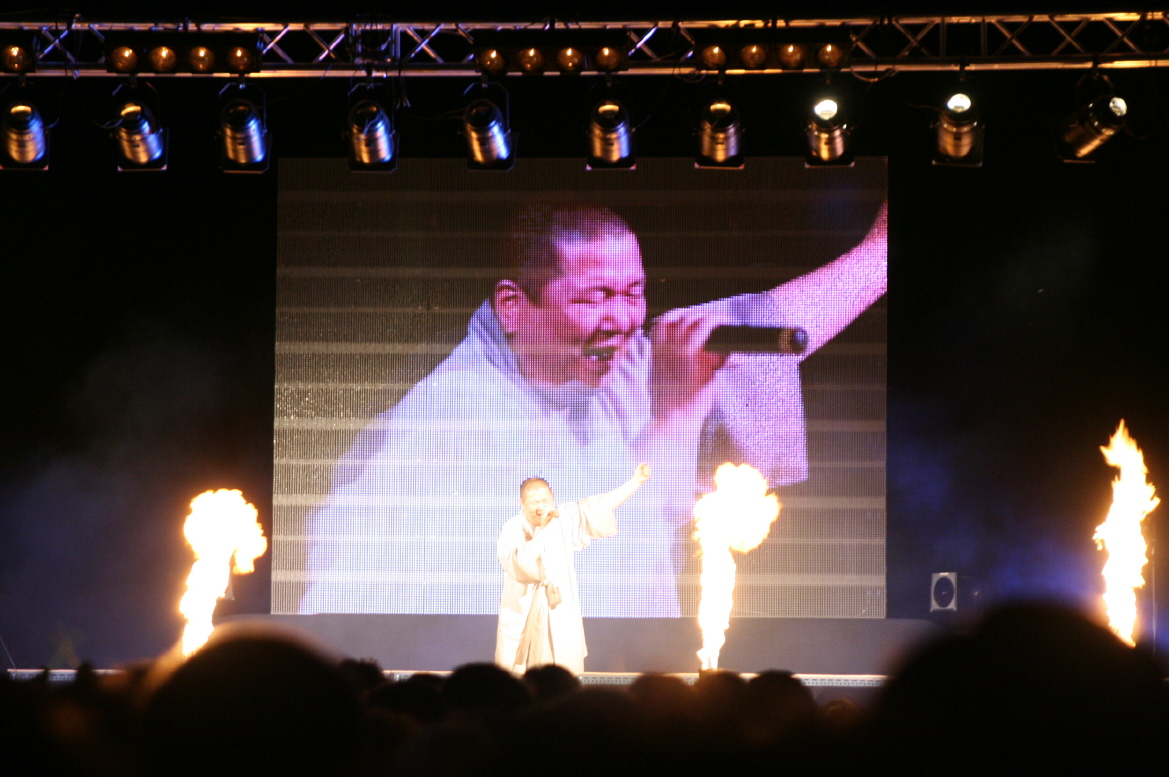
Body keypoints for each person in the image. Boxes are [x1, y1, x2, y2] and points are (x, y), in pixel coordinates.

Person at [300, 200, 887, 617]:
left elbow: (766, 321)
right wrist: (677, 416)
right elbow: (604, 575)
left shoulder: (603, 360)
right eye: (594, 297)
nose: (623, 320)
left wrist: (879, 254)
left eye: (634, 293)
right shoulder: (447, 425)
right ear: (513, 306)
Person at [496, 464, 651, 675]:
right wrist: (542, 531)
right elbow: (519, 563)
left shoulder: (563, 518)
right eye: (533, 502)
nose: (540, 507)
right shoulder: (513, 527)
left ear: (552, 498)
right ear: (521, 503)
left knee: (562, 671)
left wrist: (635, 482)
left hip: (560, 609)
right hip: (523, 611)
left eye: (544, 500)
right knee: (520, 676)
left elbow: (601, 506)